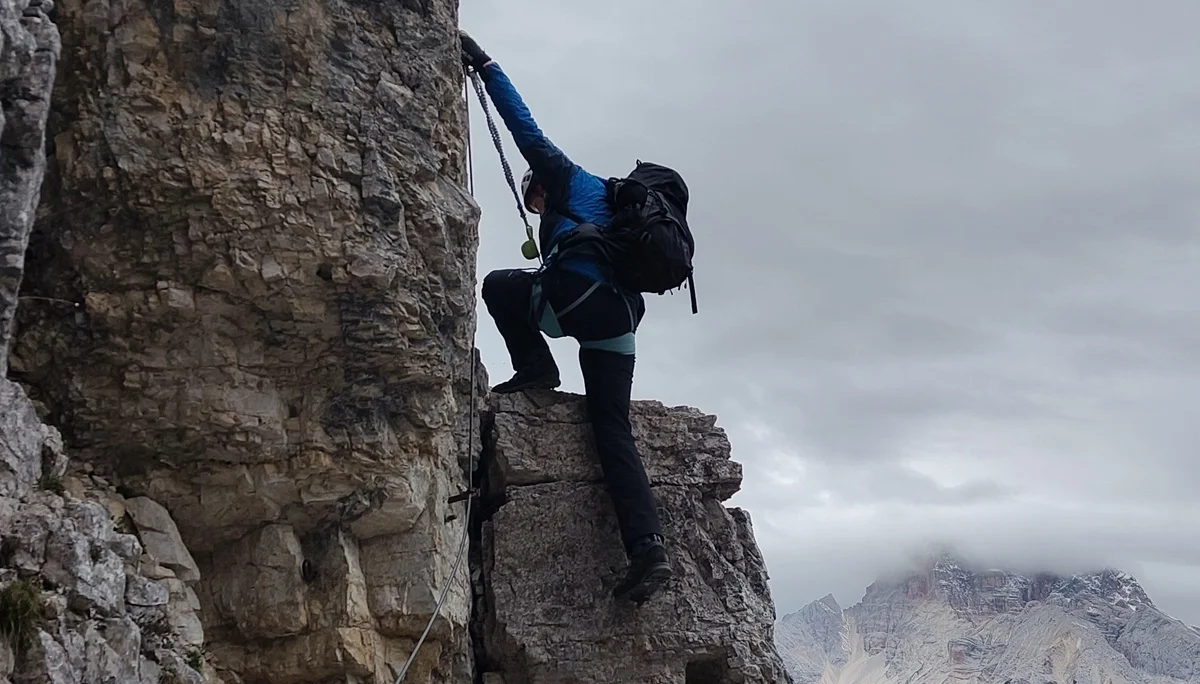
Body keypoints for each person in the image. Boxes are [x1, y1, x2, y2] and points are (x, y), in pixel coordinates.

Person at [460, 29, 672, 604]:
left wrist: (485, 66)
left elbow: (524, 129)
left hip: (580, 300)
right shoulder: (612, 204)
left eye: (533, 198)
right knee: (611, 428)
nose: (534, 206)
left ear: (539, 186)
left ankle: (536, 367)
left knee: (499, 284)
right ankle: (648, 549)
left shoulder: (566, 178)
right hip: (620, 321)